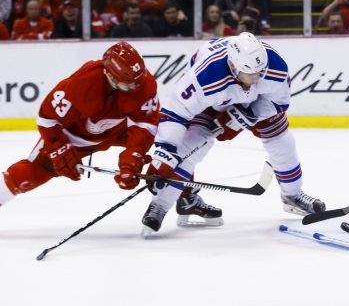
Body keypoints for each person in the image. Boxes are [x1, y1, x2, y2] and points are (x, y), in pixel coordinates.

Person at [139, 32, 325, 235]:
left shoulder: (273, 66)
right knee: (190, 147)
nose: (256, 78)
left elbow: (279, 102)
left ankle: (293, 195)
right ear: (234, 66)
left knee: (282, 141)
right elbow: (175, 113)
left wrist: (246, 114)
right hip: (214, 101)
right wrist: (164, 153)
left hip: (257, 100)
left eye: (259, 72)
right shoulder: (204, 77)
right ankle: (159, 205)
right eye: (250, 74)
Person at [0, 42, 159, 208]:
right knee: (35, 170)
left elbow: (145, 124)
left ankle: (185, 194)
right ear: (110, 76)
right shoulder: (82, 84)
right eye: (128, 84)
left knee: (171, 135)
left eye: (138, 81)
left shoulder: (143, 84)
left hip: (118, 131)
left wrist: (133, 156)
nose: (136, 87)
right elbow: (47, 118)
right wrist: (57, 146)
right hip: (75, 137)